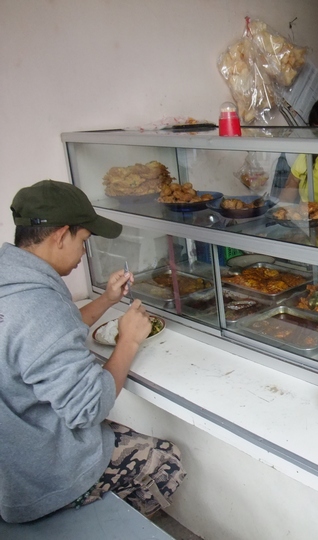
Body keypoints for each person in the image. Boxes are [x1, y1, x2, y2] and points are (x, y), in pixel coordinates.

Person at [0, 180, 186, 523]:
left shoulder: (11, 282)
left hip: (13, 454)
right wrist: (129, 341)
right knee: (165, 460)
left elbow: (47, 335)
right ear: (61, 236)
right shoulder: (39, 306)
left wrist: (107, 300)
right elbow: (89, 408)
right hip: (38, 477)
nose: (84, 252)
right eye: (83, 240)